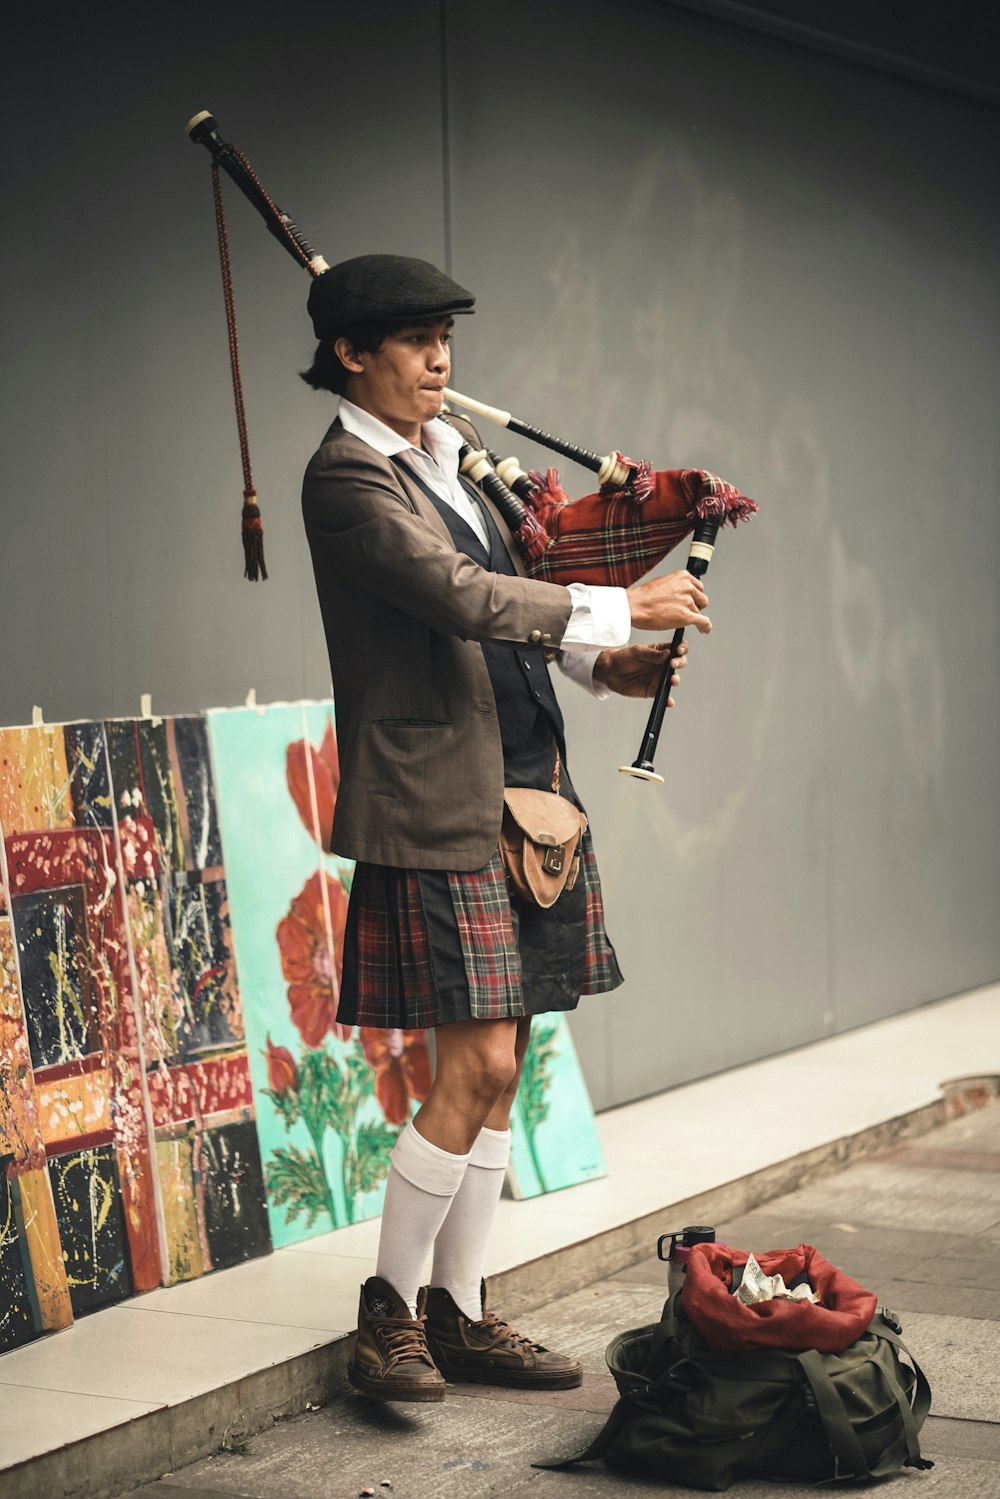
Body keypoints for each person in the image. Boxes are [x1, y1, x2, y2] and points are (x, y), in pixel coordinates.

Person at [300, 254, 711, 1403]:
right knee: (471, 1059)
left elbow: (509, 604)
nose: (440, 359)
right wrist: (624, 598)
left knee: (506, 1063)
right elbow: (458, 599)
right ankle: (387, 1314)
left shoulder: (448, 465)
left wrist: (601, 663)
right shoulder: (347, 480)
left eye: (446, 338)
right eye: (415, 339)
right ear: (350, 353)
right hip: (438, 802)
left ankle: (462, 1310)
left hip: (531, 793)